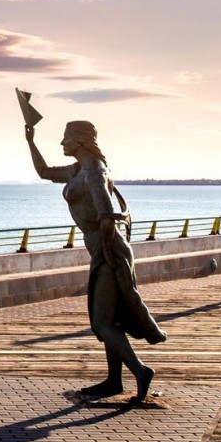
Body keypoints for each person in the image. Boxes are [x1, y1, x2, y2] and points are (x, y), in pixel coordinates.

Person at [26, 121, 165, 403]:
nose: (62, 143)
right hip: (102, 249)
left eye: (65, 138)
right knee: (110, 318)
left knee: (102, 322)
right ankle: (114, 381)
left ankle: (140, 371)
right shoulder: (77, 169)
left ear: (79, 140)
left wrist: (106, 250)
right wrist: (30, 140)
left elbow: (108, 214)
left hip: (108, 251)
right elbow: (43, 172)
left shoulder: (93, 171)